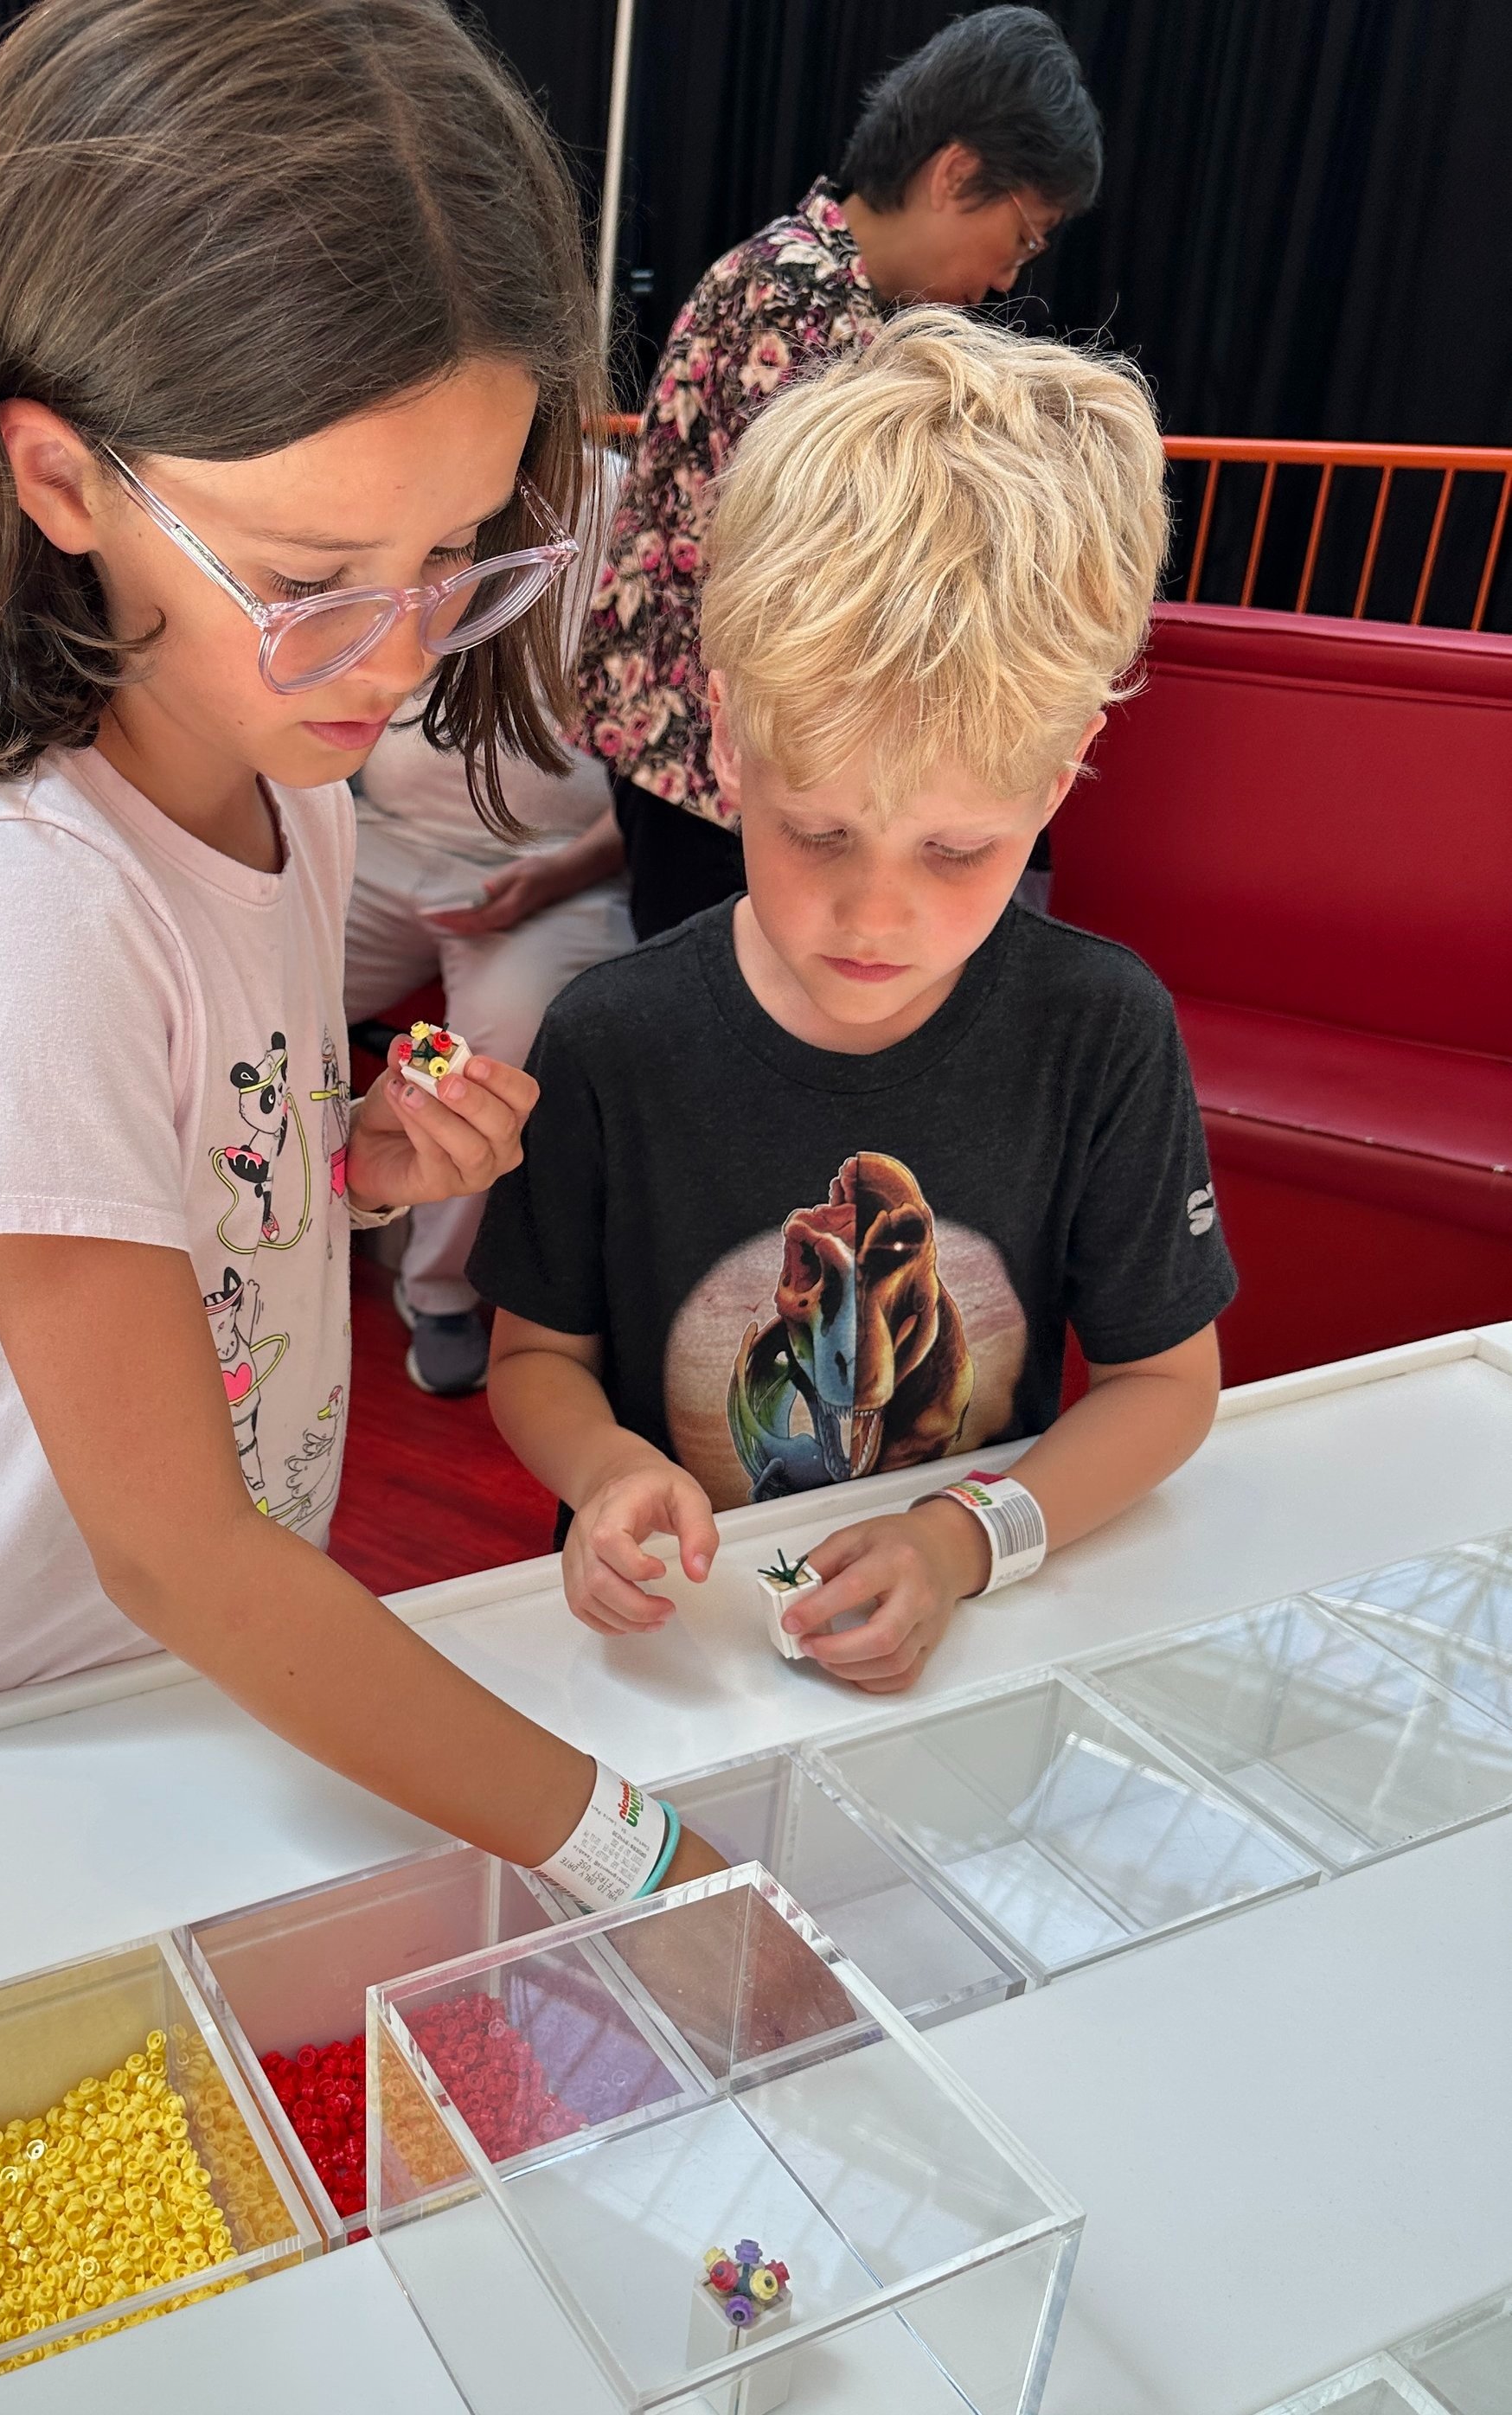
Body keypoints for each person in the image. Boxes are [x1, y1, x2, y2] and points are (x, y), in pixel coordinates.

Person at [0, 0, 723, 1917]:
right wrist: (639, 1847)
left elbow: (189, 1192)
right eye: (305, 582)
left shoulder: (292, 781)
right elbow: (175, 1546)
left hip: (184, 1697)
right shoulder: (9, 908)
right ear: (61, 483)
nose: (400, 657)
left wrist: (352, 1163)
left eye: (457, 549)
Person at [475, 311, 1235, 1695]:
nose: (875, 916)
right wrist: (603, 1474)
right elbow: (535, 1358)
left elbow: (1167, 1386)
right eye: (818, 832)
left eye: (956, 850)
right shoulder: (610, 1037)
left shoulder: (1100, 1032)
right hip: (672, 1652)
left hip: (983, 1651)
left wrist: (965, 1538)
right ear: (727, 734)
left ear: (1062, 773)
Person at [579, 5, 1103, 939]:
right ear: (955, 173)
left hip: (717, 750)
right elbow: (828, 576)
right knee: (731, 1012)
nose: (1005, 279)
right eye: (1024, 237)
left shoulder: (818, 286)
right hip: (719, 763)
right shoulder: (798, 301)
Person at [344, 445, 632, 1397]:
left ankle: (440, 1288)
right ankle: (273, 1220)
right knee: (245, 974)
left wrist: (561, 874)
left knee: (507, 1040)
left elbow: (673, 758)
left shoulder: (630, 504)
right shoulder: (394, 469)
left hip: (562, 866)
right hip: (380, 840)